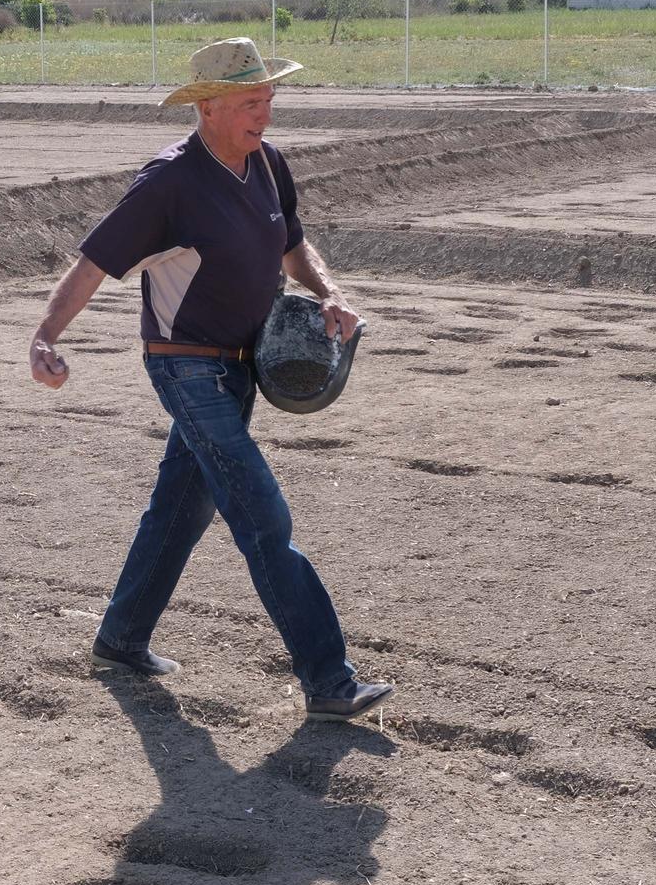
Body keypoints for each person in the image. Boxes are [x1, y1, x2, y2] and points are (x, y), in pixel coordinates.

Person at [27, 38, 393, 724]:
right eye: (253, 101)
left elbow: (291, 243)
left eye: (270, 98)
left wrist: (329, 294)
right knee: (262, 517)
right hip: (185, 365)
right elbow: (92, 265)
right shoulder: (169, 184)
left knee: (181, 508)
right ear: (210, 108)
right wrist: (46, 336)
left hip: (243, 365)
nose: (267, 112)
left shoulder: (266, 163)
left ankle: (121, 637)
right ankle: (329, 681)